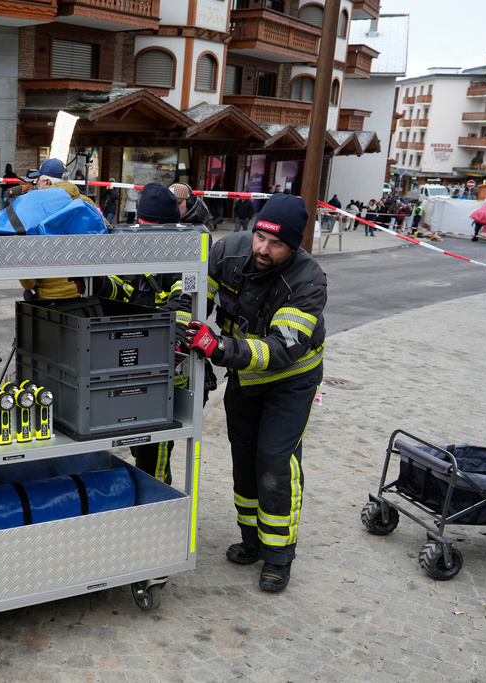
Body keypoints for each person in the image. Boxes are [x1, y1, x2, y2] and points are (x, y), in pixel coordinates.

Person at [186, 193, 327, 593]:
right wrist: (184, 328)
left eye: (276, 244)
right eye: (260, 237)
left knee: (274, 462)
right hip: (244, 376)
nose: (263, 249)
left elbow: (283, 348)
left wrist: (220, 349)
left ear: (294, 245)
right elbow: (194, 297)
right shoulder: (228, 250)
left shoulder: (308, 281)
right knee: (244, 457)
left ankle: (280, 555)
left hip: (290, 382)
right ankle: (252, 541)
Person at [92, 183, 193, 484]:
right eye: (142, 226)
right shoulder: (135, 250)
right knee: (139, 443)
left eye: (152, 229)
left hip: (167, 374)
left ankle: (159, 503)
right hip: (135, 366)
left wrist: (158, 335)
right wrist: (97, 284)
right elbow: (122, 292)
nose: (145, 234)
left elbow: (184, 304)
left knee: (155, 451)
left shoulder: (183, 257)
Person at [19, 158, 88, 300]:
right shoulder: (86, 203)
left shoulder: (36, 209)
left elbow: (25, 255)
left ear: (47, 182)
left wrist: (29, 287)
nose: (36, 183)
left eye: (38, 179)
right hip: (84, 292)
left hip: (49, 296)